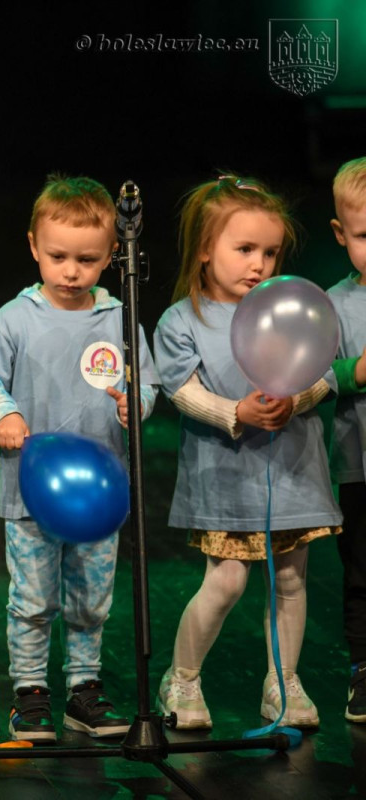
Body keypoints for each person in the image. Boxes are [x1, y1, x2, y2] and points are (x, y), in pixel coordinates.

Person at [0, 175, 157, 743]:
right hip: (30, 494)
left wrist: (134, 406)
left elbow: (145, 387)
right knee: (32, 596)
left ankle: (84, 688)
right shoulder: (14, 319)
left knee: (92, 596)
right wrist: (4, 412)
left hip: (100, 493)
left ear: (111, 257)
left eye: (87, 259)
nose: (71, 271)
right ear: (33, 247)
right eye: (58, 257)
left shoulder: (119, 318)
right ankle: (30, 692)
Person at [154, 175, 340, 730]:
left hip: (291, 468)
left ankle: (283, 682)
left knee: (290, 578)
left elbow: (323, 370)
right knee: (228, 579)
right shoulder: (184, 319)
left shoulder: (288, 307)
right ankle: (182, 678)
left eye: (270, 251)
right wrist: (236, 412)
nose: (259, 263)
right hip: (225, 473)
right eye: (244, 249)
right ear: (207, 249)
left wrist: (295, 398)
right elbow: (179, 387)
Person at [324, 156, 366, 724]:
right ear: (341, 235)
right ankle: (364, 668)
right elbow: (315, 376)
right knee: (361, 574)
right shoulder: (330, 306)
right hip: (359, 467)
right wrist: (357, 369)